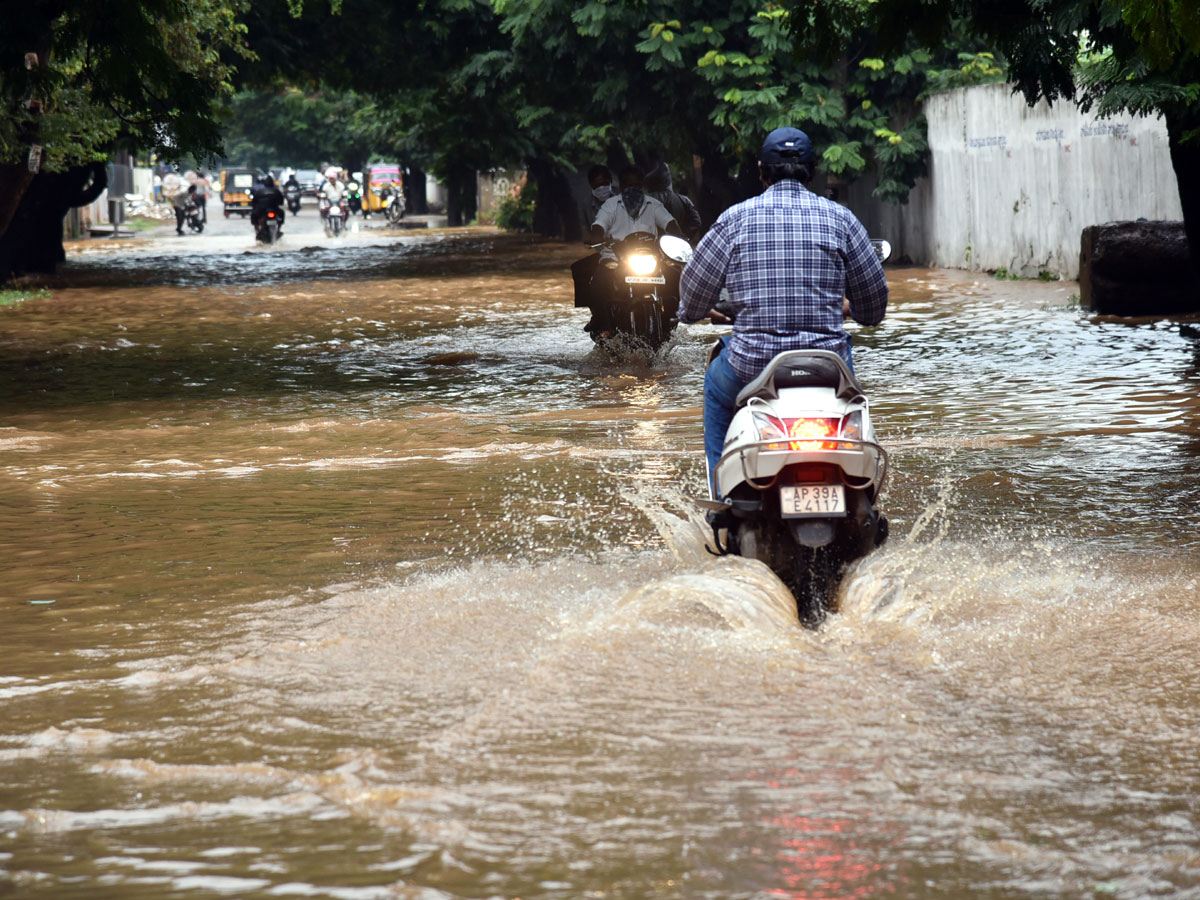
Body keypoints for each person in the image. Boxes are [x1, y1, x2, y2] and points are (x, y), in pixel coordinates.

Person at [677, 126, 888, 485]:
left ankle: (720, 496)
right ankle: (864, 491)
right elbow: (873, 310)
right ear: (812, 171)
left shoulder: (733, 220)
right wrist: (848, 307)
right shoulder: (842, 220)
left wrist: (700, 311)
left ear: (761, 171)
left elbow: (692, 302)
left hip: (749, 369)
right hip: (828, 371)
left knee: (715, 380)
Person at [585, 164, 681, 335]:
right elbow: (599, 226)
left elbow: (670, 224)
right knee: (597, 283)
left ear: (642, 185)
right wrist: (597, 236)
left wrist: (679, 237)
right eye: (628, 185)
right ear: (621, 186)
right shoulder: (610, 205)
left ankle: (672, 319)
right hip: (615, 258)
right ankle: (604, 326)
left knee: (676, 276)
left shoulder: (654, 204)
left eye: (636, 185)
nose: (632, 189)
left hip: (650, 259)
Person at [570, 164, 615, 311]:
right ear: (591, 185)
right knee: (579, 269)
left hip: (628, 252)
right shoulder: (586, 205)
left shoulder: (622, 200)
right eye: (597, 184)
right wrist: (592, 239)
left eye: (604, 183)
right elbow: (585, 230)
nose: (601, 187)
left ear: (610, 181)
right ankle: (596, 314)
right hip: (604, 253)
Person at [645, 161, 702, 244]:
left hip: (653, 246)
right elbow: (696, 221)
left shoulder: (647, 200)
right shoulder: (684, 200)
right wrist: (684, 237)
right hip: (678, 246)